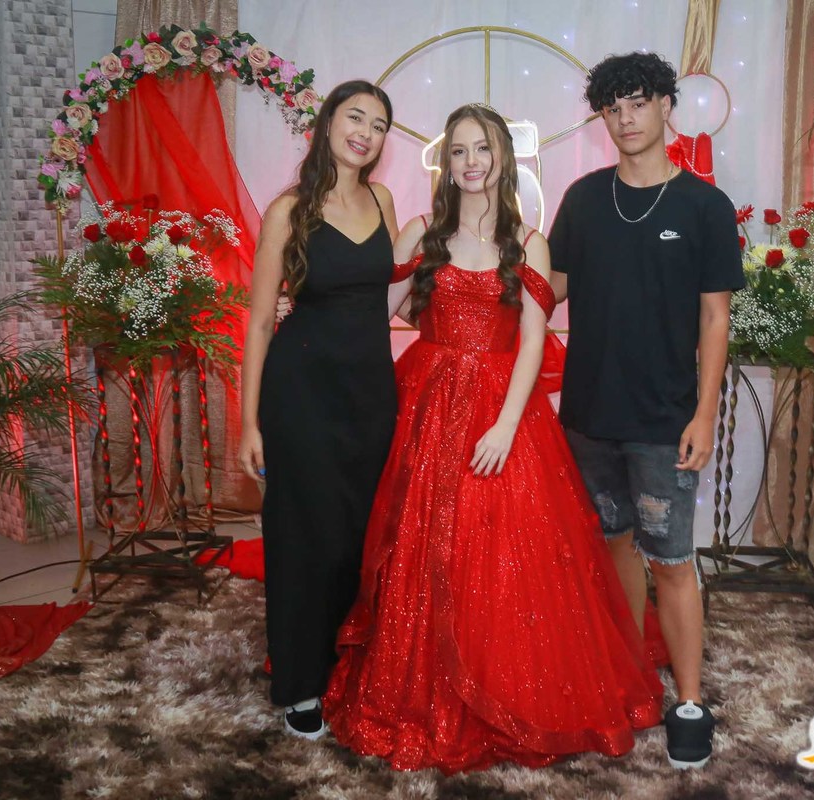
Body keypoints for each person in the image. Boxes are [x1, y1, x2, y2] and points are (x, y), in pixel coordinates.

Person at [322, 103, 663, 773]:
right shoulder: (421, 233)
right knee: (422, 544)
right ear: (446, 164)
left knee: (509, 554)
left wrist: (506, 424)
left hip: (504, 408)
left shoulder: (529, 242)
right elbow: (373, 313)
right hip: (428, 404)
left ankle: (506, 683)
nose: (471, 161)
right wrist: (302, 310)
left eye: (482, 149)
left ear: (502, 158)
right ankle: (425, 688)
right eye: (458, 151)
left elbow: (535, 339)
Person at [547, 52, 745, 770]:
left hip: (665, 420)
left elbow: (716, 318)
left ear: (666, 106)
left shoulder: (705, 207)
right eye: (613, 108)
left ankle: (688, 701)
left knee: (673, 561)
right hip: (588, 415)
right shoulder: (582, 199)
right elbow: (548, 289)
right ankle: (630, 681)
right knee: (615, 551)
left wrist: (704, 414)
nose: (625, 119)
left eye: (637, 103)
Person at [238, 80, 404, 741]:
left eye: (379, 124)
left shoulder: (383, 201)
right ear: (329, 123)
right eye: (355, 117)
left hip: (370, 393)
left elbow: (388, 301)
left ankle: (346, 662)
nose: (366, 132)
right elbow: (258, 322)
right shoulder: (289, 210)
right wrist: (249, 422)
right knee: (304, 536)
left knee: (358, 535)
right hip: (301, 393)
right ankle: (300, 682)